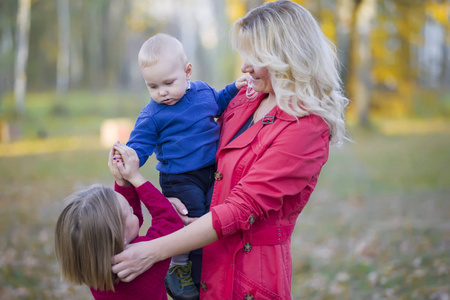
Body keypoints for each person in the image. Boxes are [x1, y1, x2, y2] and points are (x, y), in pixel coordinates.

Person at [111, 1, 350, 299]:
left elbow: (241, 208)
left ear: (286, 57)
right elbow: (199, 144)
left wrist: (155, 251)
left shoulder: (306, 127)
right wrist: (173, 194)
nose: (244, 66)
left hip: (249, 274)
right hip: (203, 264)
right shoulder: (246, 98)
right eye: (243, 55)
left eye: (254, 56)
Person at [126, 33, 249, 300]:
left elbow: (219, 100)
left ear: (188, 71)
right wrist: (128, 157)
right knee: (192, 218)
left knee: (213, 215)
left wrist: (234, 88)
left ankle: (206, 268)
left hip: (210, 171)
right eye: (153, 86)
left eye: (169, 83)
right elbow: (140, 144)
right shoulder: (153, 114)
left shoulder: (203, 92)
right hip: (179, 177)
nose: (162, 92)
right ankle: (178, 267)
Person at [54, 142, 183, 300]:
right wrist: (136, 178)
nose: (133, 209)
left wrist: (123, 182)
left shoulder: (95, 267)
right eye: (129, 211)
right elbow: (169, 221)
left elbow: (129, 227)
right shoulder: (143, 264)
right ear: (119, 237)